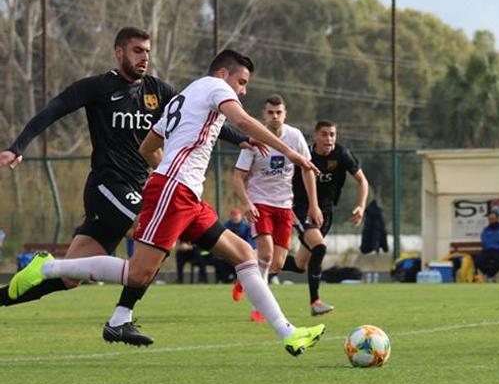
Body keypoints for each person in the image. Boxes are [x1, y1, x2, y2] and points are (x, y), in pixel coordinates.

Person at [8, 49, 326, 357]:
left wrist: (168, 170)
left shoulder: (184, 96)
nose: (242, 91)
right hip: (174, 191)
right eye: (241, 82)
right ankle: (47, 267)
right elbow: (241, 121)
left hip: (185, 193)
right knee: (138, 274)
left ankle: (288, 332)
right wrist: (291, 153)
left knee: (244, 254)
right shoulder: (215, 87)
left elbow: (148, 146)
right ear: (223, 73)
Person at [0, 27, 256, 346]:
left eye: (147, 51)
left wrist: (242, 138)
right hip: (109, 186)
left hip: (141, 186)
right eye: (137, 50)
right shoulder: (98, 87)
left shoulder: (156, 90)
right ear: (118, 52)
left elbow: (201, 111)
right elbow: (54, 108)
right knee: (155, 233)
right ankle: (121, 317)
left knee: (69, 277)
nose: (144, 57)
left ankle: (9, 295)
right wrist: (18, 146)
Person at [230, 95, 318, 322]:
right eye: (270, 112)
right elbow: (238, 176)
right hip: (260, 202)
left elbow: (307, 169)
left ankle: (244, 275)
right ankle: (258, 308)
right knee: (266, 253)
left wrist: (313, 205)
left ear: (285, 114)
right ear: (264, 114)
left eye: (279, 112)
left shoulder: (295, 136)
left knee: (277, 262)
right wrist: (247, 203)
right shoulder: (254, 138)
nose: (275, 117)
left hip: (284, 205)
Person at [290, 120, 368, 315]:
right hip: (302, 210)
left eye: (332, 134)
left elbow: (362, 181)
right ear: (315, 136)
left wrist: (361, 206)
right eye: (324, 134)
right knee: (320, 247)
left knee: (300, 265)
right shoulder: (304, 155)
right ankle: (315, 302)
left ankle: (256, 264)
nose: (329, 138)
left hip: (326, 213)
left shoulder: (341, 154)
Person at [476, 211, 499, 281]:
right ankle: (490, 275)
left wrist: (491, 238)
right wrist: (496, 238)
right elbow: (484, 241)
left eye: (493, 218)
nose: (491, 220)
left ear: (497, 219)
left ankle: (490, 275)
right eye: (490, 219)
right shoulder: (486, 229)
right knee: (477, 261)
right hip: (488, 249)